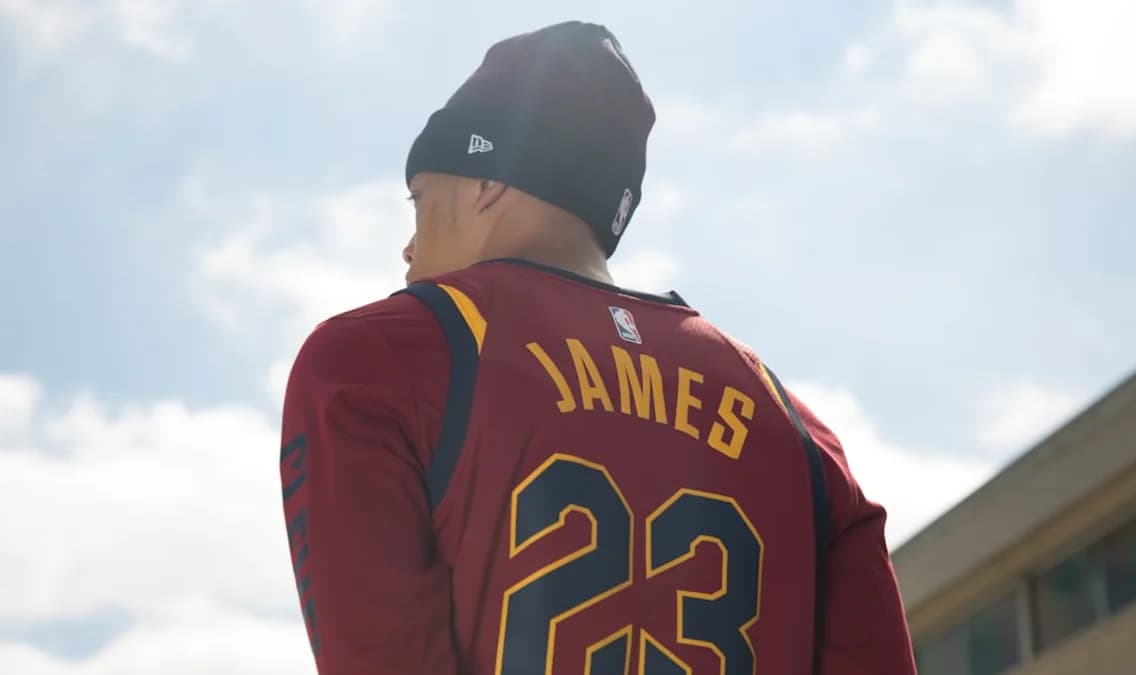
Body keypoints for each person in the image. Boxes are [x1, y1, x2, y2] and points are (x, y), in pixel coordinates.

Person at [279, 20, 916, 675]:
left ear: (486, 180)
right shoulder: (801, 434)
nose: (409, 252)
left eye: (419, 202)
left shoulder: (370, 365)